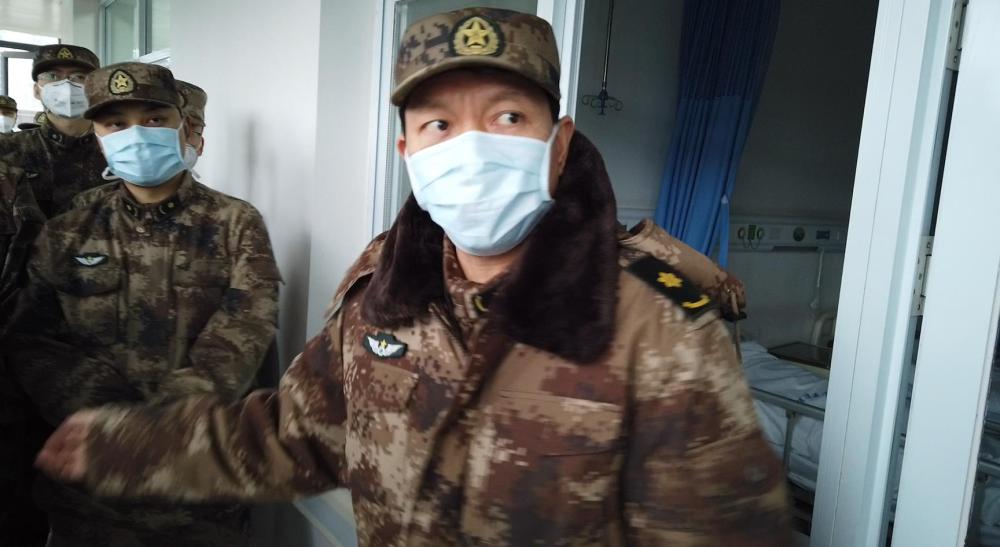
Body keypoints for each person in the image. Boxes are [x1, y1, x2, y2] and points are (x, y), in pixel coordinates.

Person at [34, 8, 788, 546]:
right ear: (409, 153)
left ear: (559, 146)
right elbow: (294, 436)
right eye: (439, 124)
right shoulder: (383, 295)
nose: (472, 147)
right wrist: (132, 446)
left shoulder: (655, 322)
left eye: (508, 118)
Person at [5, 62, 282, 546]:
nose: (136, 134)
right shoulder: (70, 228)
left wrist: (152, 423)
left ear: (181, 124)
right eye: (116, 123)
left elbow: (244, 331)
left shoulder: (235, 223)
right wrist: (106, 414)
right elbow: (32, 337)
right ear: (97, 136)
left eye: (154, 119)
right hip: (90, 491)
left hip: (198, 488)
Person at [0, 45, 107, 218]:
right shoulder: (7, 149)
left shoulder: (118, 148)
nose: (67, 85)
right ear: (36, 90)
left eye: (79, 77)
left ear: (96, 89)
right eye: (52, 76)